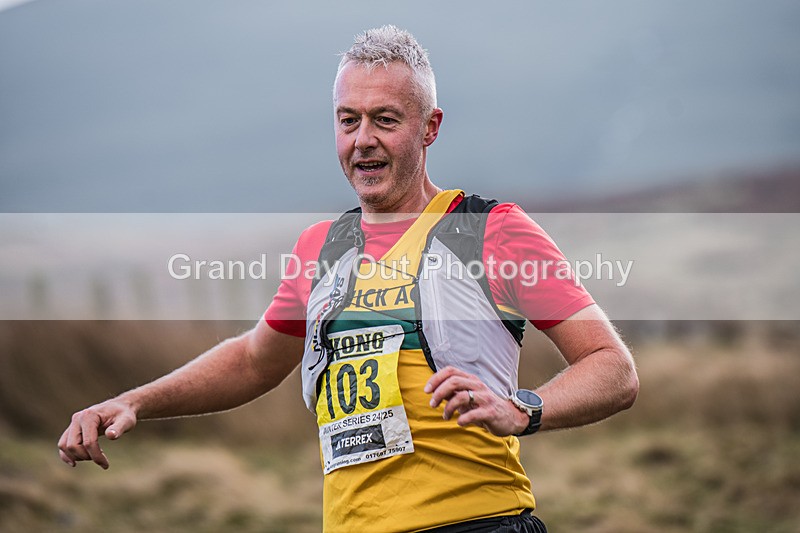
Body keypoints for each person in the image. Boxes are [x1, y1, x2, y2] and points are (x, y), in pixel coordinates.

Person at [59, 25, 639, 532]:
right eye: (348, 120)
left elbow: (612, 368)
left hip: (477, 523)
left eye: (385, 120)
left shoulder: (489, 231)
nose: (363, 139)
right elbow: (253, 361)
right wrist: (133, 401)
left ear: (430, 127)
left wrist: (522, 409)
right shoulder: (322, 248)